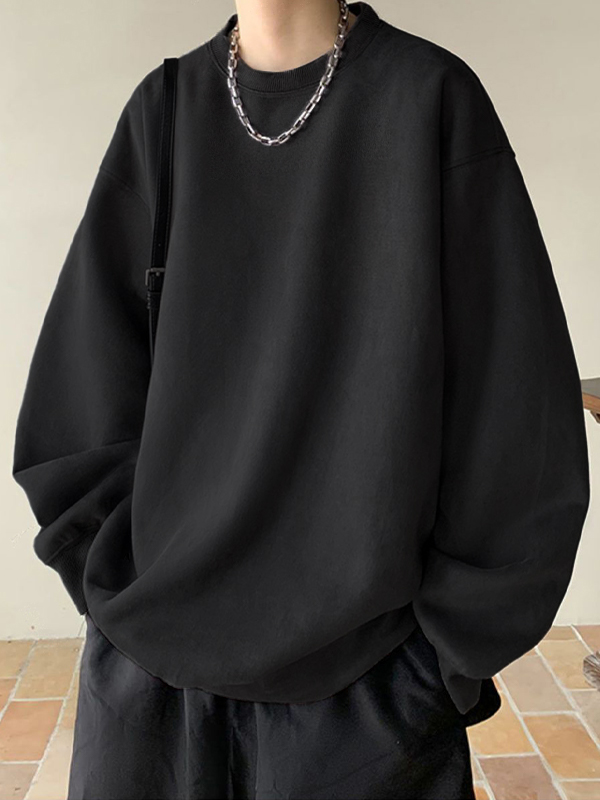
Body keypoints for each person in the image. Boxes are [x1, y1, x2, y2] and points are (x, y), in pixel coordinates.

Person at [12, 1, 590, 798]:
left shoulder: (429, 99)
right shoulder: (166, 111)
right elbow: (80, 395)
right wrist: (118, 590)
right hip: (150, 692)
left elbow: (516, 412)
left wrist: (442, 654)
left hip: (366, 694)